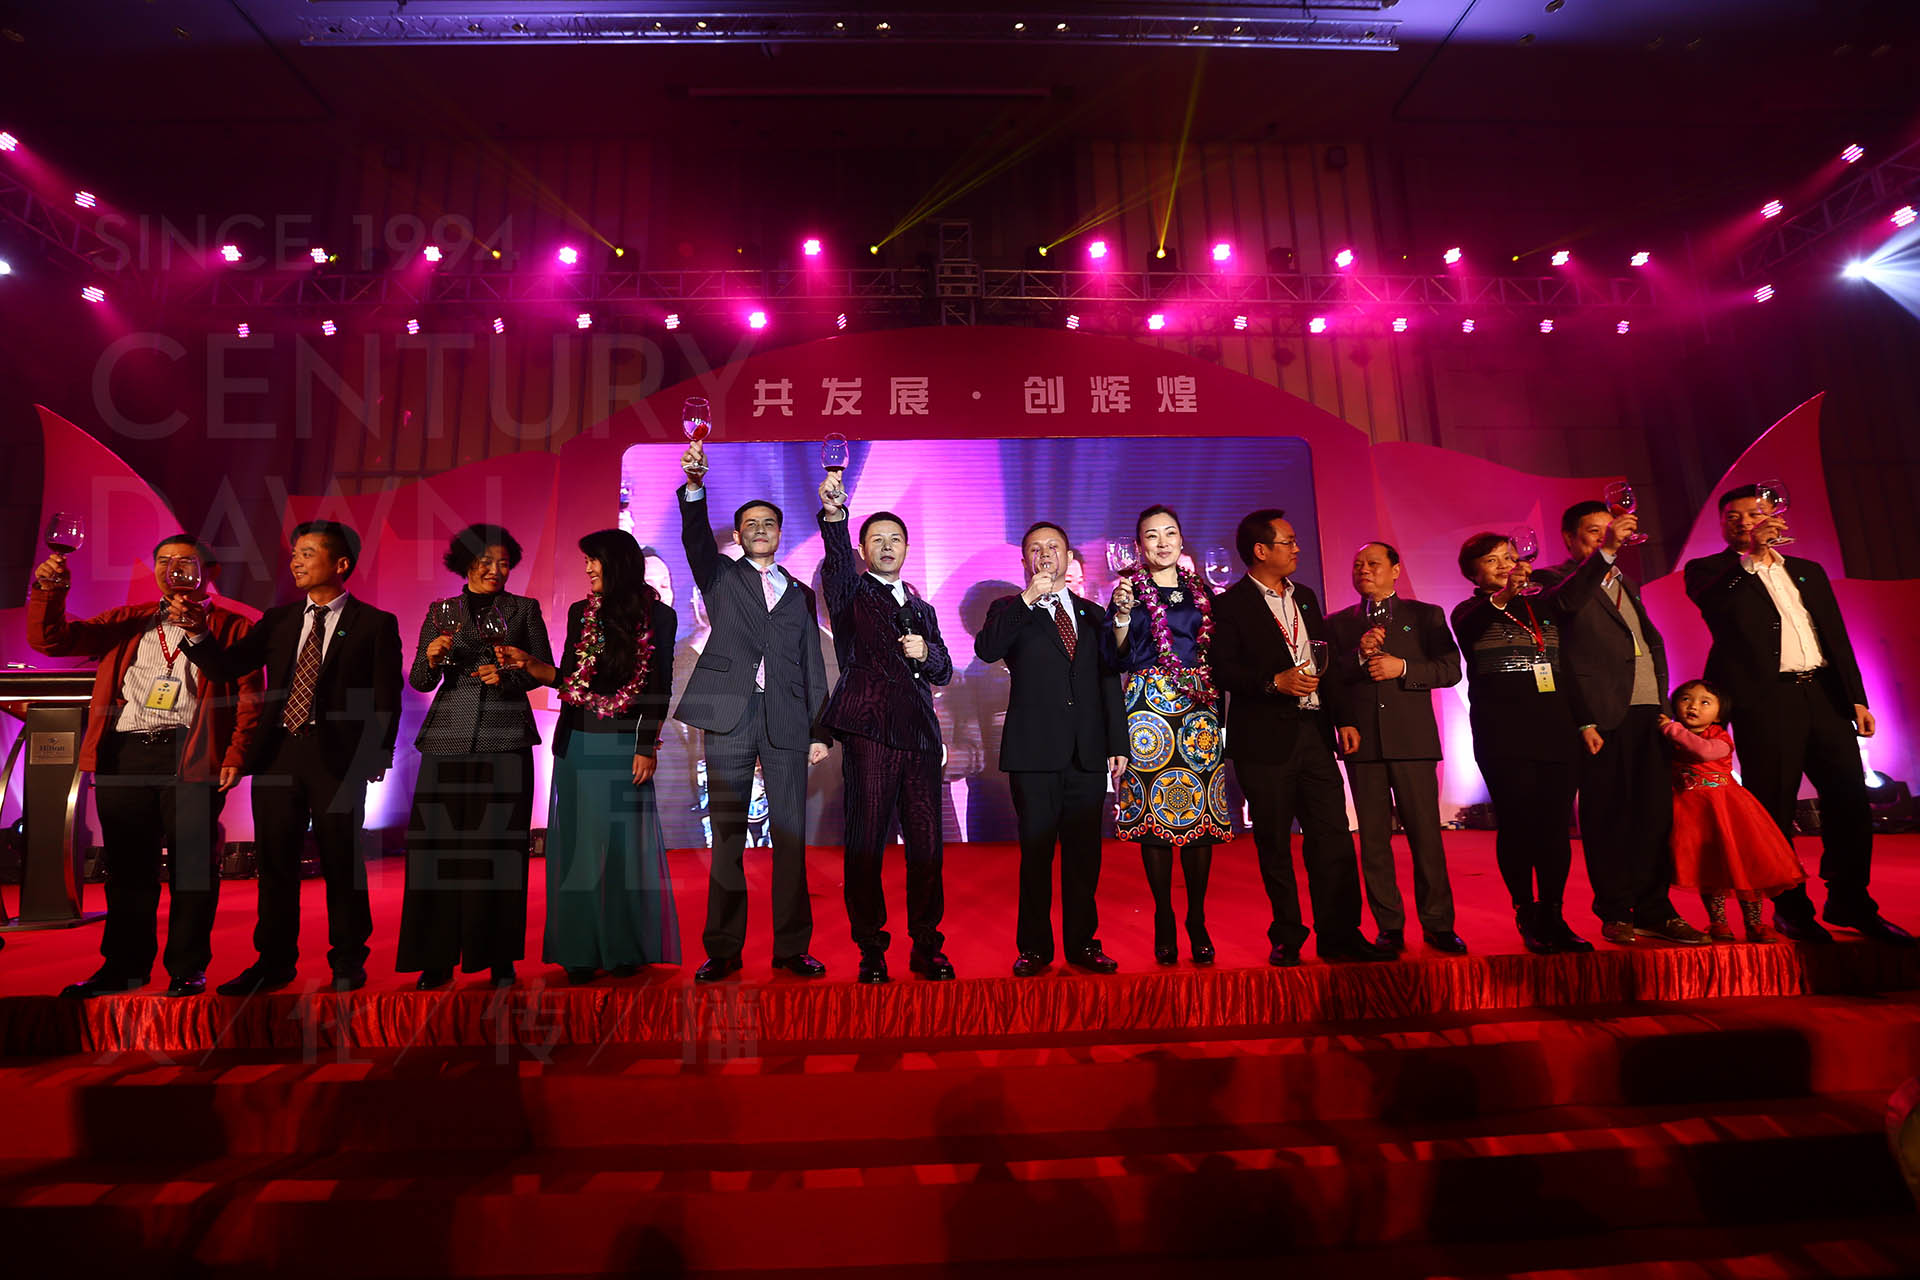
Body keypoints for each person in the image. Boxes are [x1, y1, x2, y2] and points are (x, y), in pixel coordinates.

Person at [173, 520, 403, 994]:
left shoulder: (375, 623)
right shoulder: (278, 620)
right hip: (278, 754)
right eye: (295, 553)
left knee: (342, 860)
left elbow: (386, 697)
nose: (296, 561)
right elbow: (226, 666)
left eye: (308, 553)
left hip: (336, 758)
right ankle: (274, 963)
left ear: (340, 564)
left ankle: (347, 960)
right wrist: (197, 634)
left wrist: (376, 756)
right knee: (276, 864)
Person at [29, 536, 263, 998]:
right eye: (163, 561)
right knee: (127, 871)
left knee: (192, 869)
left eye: (184, 561)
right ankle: (124, 968)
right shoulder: (128, 620)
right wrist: (50, 592)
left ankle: (187, 968)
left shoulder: (233, 627)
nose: (172, 569)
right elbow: (52, 640)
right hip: (126, 752)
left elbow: (250, 698)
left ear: (208, 571)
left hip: (190, 752)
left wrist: (237, 754)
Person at [1683, 485, 1909, 944]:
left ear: (1774, 516)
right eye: (1733, 517)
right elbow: (1716, 606)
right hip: (1765, 703)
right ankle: (1790, 908)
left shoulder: (1807, 571)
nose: (1744, 522)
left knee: (1849, 801)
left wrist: (1856, 698)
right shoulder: (1710, 571)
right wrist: (1751, 555)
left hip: (1822, 695)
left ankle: (1850, 901)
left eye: (1754, 514)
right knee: (1774, 807)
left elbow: (1834, 636)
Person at [674, 439, 831, 981]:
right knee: (727, 839)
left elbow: (812, 663)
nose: (760, 530)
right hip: (729, 715)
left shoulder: (799, 594)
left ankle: (791, 948)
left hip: (787, 719)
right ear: (739, 536)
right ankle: (723, 949)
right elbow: (696, 537)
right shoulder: (720, 576)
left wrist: (819, 729)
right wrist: (695, 488)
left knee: (790, 838)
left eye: (769, 523)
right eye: (751, 525)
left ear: (780, 533)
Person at [499, 530, 681, 981]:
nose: (586, 569)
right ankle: (579, 950)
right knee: (578, 848)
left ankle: (623, 947)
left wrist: (646, 747)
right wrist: (534, 667)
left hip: (623, 747)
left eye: (593, 561)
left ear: (616, 563)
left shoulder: (660, 617)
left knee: (620, 849)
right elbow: (571, 680)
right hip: (578, 741)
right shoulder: (582, 612)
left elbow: (659, 686)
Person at [1212, 509, 1389, 966]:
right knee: (1274, 844)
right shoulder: (1229, 605)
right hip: (1263, 741)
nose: (1296, 548)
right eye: (1287, 541)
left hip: (1314, 733)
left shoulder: (1305, 597)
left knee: (1333, 838)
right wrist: (1274, 683)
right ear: (1261, 550)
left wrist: (1344, 719)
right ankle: (1287, 936)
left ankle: (1340, 934)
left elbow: (1325, 662)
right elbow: (1223, 670)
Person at [1533, 502, 1708, 947]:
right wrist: (1606, 552)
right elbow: (1565, 607)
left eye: (1607, 532)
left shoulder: (1624, 581)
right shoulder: (1551, 580)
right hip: (1600, 713)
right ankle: (1614, 910)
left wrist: (1665, 704)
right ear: (1569, 538)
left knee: (1654, 816)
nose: (1602, 538)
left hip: (1648, 710)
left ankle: (1655, 909)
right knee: (1607, 817)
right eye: (1593, 532)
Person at [396, 524, 552, 991]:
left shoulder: (524, 609)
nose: (495, 570)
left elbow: (541, 670)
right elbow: (421, 680)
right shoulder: (441, 611)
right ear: (465, 563)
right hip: (446, 739)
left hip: (506, 739)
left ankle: (498, 957)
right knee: (437, 852)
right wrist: (431, 655)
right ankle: (435, 957)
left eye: (503, 563)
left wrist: (508, 674)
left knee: (500, 850)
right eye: (486, 561)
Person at [816, 478, 956, 983]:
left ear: (908, 548)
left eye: (895, 538)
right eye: (876, 539)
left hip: (919, 738)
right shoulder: (850, 593)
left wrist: (928, 652)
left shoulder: (924, 610)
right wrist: (835, 515)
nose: (887, 546)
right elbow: (836, 563)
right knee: (866, 842)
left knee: (927, 846)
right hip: (870, 732)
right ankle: (871, 948)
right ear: (863, 549)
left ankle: (926, 944)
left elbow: (944, 672)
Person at [975, 520, 1127, 977]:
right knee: (1037, 853)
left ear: (1069, 558)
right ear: (1025, 560)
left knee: (1084, 856)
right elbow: (988, 649)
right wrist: (1027, 598)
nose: (1045, 554)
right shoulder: (1009, 608)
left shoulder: (1092, 613)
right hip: (1034, 753)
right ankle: (1035, 948)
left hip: (1086, 752)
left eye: (1054, 547)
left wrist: (1116, 742)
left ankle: (1083, 944)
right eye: (1036, 548)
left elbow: (1109, 678)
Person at [1449, 532, 1592, 955]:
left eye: (1510, 558)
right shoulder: (1469, 612)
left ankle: (1554, 914)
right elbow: (1472, 629)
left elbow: (1563, 667)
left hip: (1556, 730)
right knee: (1518, 824)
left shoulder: (1543, 606)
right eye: (1493, 560)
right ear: (1473, 573)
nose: (1505, 566)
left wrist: (1584, 720)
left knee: (1555, 827)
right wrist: (1505, 595)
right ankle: (1526, 911)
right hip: (1503, 734)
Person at [1325, 541, 1467, 955]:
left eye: (1373, 563)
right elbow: (1330, 677)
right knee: (1373, 842)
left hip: (1413, 741)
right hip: (1363, 744)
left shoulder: (1425, 616)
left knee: (1426, 838)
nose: (1364, 570)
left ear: (1396, 570)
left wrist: (1402, 667)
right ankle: (1389, 925)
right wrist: (1359, 656)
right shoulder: (1338, 623)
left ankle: (1438, 924)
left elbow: (1450, 669)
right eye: (1357, 564)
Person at [1104, 504, 1227, 966]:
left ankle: (1197, 917)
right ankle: (1163, 915)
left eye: (1169, 533)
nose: (1162, 543)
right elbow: (1114, 657)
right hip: (1147, 710)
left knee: (1200, 822)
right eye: (1151, 536)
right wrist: (1120, 616)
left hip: (1197, 710)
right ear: (1139, 546)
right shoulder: (1128, 592)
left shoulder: (1201, 592)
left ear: (1181, 539)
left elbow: (1216, 653)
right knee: (1155, 822)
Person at [1659, 679, 1805, 943]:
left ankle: (1754, 923)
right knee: (1707, 867)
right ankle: (1718, 923)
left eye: (1705, 702)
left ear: (1719, 714)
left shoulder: (1718, 736)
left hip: (1727, 809)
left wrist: (1672, 729)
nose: (1693, 706)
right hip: (1692, 812)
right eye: (1685, 699)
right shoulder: (1671, 738)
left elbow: (1703, 752)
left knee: (1744, 866)